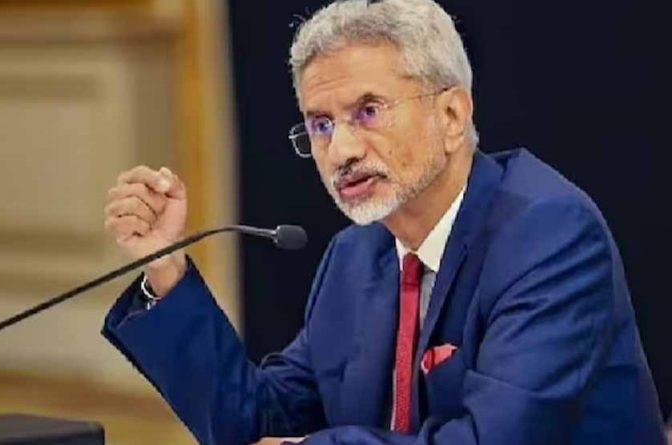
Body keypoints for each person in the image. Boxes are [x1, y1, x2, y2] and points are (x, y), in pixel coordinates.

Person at [100, 0, 666, 444]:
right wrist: (167, 268)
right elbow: (256, 423)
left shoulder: (548, 235)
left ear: (451, 115)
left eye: (368, 112)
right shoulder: (355, 256)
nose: (341, 150)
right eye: (320, 125)